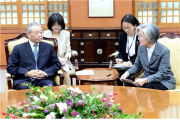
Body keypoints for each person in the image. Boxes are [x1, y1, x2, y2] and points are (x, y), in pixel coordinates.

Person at [120, 23, 176, 90]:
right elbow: (137, 66)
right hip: (147, 80)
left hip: (163, 81)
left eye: (140, 36)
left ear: (149, 37)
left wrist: (145, 80)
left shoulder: (164, 51)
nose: (138, 39)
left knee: (145, 88)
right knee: (129, 85)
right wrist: (127, 73)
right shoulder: (141, 47)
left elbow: (161, 74)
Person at [7, 22, 61, 90]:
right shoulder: (18, 48)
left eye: (41, 32)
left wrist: (45, 73)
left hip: (44, 79)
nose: (39, 35)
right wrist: (27, 73)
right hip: (24, 80)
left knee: (48, 88)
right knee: (24, 89)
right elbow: (10, 68)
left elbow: (57, 65)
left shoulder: (48, 47)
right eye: (36, 33)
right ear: (28, 34)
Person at [43, 13, 73, 86]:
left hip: (62, 61)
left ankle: (67, 91)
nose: (57, 27)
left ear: (62, 25)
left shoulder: (66, 34)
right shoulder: (45, 34)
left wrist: (67, 56)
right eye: (54, 25)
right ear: (50, 25)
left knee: (65, 72)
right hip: (49, 61)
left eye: (59, 25)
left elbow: (68, 50)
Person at [116, 14, 140, 86]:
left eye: (128, 28)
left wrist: (131, 61)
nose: (126, 30)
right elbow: (121, 51)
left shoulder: (140, 36)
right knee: (118, 75)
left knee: (129, 79)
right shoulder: (123, 35)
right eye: (124, 28)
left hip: (136, 63)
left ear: (135, 25)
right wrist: (120, 59)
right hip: (125, 63)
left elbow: (141, 54)